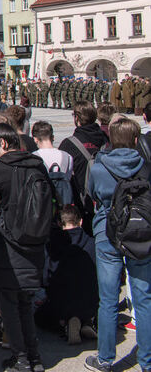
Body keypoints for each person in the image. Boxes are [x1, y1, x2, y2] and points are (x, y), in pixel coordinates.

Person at [0, 124, 50, 372]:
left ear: (3, 144)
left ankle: (21, 359)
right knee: (25, 303)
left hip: (7, 246)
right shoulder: (37, 164)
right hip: (35, 244)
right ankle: (34, 355)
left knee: (9, 306)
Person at [85, 117, 151, 372]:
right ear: (136, 140)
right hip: (139, 231)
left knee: (109, 298)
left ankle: (105, 358)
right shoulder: (144, 166)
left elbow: (91, 193)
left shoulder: (100, 166)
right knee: (144, 298)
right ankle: (146, 361)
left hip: (107, 231)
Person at [38, 205, 97, 345]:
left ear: (59, 223)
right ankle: (86, 321)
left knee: (39, 317)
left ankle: (65, 323)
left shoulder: (53, 246)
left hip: (62, 301)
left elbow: (46, 279)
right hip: (87, 300)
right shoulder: (91, 243)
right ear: (81, 221)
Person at [60, 101, 108, 233]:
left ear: (77, 118)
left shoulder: (68, 144)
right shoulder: (106, 140)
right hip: (105, 201)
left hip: (83, 205)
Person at [31, 121, 75, 205]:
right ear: (53, 137)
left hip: (43, 203)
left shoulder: (33, 157)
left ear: (35, 139)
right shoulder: (67, 157)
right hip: (64, 201)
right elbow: (68, 179)